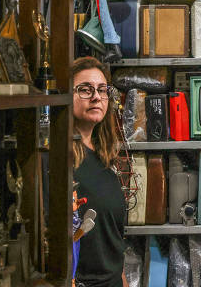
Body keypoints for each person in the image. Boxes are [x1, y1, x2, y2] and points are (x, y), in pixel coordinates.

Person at [72, 57, 127, 287]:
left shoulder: (103, 155)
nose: (96, 96)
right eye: (85, 90)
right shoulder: (61, 159)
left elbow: (111, 236)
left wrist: (122, 280)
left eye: (102, 90)